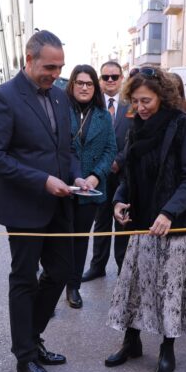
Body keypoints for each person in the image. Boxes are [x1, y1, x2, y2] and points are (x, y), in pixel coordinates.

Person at [0, 30, 86, 372]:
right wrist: (42, 181)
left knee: (61, 271)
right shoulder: (3, 98)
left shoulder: (58, 97)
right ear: (29, 59)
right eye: (49, 67)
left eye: (60, 67)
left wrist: (76, 176)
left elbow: (64, 150)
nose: (56, 74)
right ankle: (25, 357)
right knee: (24, 279)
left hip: (59, 204)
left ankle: (32, 336)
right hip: (23, 207)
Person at [106, 66, 186, 372]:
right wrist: (120, 200)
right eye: (135, 101)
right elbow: (129, 173)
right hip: (142, 221)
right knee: (134, 284)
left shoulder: (184, 126)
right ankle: (131, 342)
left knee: (168, 289)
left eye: (146, 100)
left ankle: (167, 350)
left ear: (162, 96)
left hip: (175, 224)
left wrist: (169, 213)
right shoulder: (137, 127)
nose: (140, 107)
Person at [63, 65, 117, 308]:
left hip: (91, 189)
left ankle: (73, 286)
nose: (84, 87)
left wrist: (96, 176)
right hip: (63, 185)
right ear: (72, 84)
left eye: (89, 83)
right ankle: (51, 287)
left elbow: (110, 149)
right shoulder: (61, 111)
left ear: (95, 87)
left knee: (80, 239)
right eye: (80, 82)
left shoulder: (103, 116)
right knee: (58, 240)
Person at [81, 61, 133, 282]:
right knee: (101, 221)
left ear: (121, 78)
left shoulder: (132, 103)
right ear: (100, 80)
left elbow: (136, 137)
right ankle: (97, 266)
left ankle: (123, 267)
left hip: (125, 173)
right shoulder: (92, 104)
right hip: (99, 174)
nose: (110, 80)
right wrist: (102, 165)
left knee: (123, 221)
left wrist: (119, 160)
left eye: (114, 76)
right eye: (105, 77)